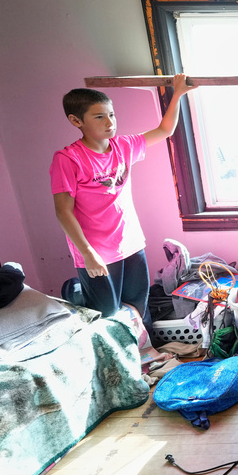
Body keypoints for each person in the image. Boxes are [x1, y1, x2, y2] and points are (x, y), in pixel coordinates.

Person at [50, 73, 194, 332]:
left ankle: (145, 358)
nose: (109, 122)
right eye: (99, 117)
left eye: (111, 115)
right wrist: (88, 253)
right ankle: (76, 297)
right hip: (97, 253)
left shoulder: (123, 146)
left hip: (130, 244)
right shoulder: (68, 159)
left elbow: (164, 130)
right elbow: (63, 212)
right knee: (106, 316)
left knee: (138, 308)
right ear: (76, 121)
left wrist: (178, 93)